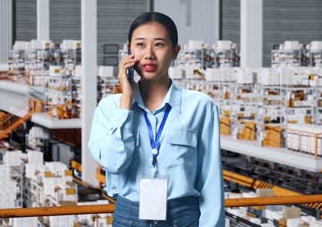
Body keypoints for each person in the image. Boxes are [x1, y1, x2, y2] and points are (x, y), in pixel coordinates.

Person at [89, 12, 224, 227]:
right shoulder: (109, 108)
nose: (149, 55)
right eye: (140, 45)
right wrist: (126, 102)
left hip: (183, 216)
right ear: (130, 50)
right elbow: (113, 163)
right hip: (129, 216)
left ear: (175, 52)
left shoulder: (200, 106)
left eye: (159, 45)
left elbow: (211, 179)